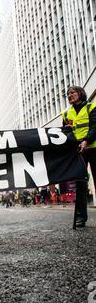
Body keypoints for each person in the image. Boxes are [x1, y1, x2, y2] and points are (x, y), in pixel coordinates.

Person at [62, 85, 96, 227]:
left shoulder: (91, 107)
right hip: (78, 152)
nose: (69, 95)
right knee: (80, 185)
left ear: (80, 93)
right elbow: (63, 133)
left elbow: (95, 126)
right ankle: (81, 218)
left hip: (93, 148)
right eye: (67, 94)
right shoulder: (66, 113)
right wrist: (66, 130)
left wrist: (86, 141)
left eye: (72, 92)